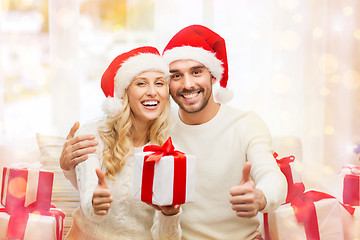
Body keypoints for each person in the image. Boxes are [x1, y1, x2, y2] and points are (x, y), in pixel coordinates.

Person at [61, 25, 287, 240]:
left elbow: (271, 175)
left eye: (196, 72)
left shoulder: (245, 124)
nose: (187, 84)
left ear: (213, 76)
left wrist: (261, 197)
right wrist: (68, 165)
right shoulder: (158, 128)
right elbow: (111, 173)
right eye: (176, 76)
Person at [63, 46, 182, 240]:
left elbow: (166, 238)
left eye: (159, 83)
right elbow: (88, 194)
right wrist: (94, 202)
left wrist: (170, 214)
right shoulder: (93, 134)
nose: (152, 92)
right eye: (141, 84)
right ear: (125, 92)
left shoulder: (171, 146)